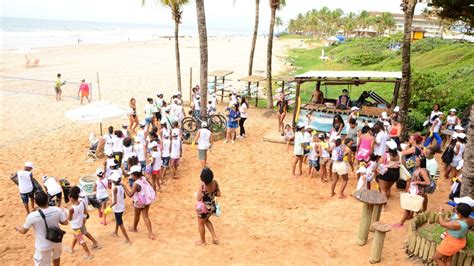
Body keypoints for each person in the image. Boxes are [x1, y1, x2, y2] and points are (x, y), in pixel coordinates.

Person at [15, 191, 68, 266]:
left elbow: (23, 231)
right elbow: (65, 223)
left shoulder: (32, 216)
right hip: (57, 240)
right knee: (56, 256)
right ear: (47, 200)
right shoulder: (57, 210)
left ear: (36, 203)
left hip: (43, 245)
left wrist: (17, 228)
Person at [393, 156, 431, 228]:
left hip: (417, 191)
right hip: (415, 190)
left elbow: (428, 182)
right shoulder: (419, 169)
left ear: (421, 163)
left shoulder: (422, 171)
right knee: (413, 207)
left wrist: (417, 182)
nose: (415, 162)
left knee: (408, 206)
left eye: (417, 161)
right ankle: (414, 217)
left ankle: (401, 222)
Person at [123, 165, 156, 240]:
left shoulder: (136, 184)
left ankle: (134, 228)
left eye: (132, 174)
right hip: (147, 200)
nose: (131, 175)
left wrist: (124, 187)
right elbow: (150, 185)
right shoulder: (143, 178)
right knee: (145, 216)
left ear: (135, 175)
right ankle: (151, 233)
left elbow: (130, 195)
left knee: (137, 215)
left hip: (139, 202)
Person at [195, 167, 221, 246]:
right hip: (212, 206)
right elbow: (219, 194)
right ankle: (214, 237)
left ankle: (203, 242)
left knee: (201, 223)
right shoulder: (215, 183)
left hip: (204, 209)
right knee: (206, 220)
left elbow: (198, 198)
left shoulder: (202, 186)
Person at [68, 186, 94, 260]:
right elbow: (85, 212)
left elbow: (69, 219)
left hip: (76, 226)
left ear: (72, 198)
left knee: (81, 239)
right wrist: (83, 218)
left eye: (69, 198)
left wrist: (66, 212)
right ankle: (71, 249)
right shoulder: (81, 202)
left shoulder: (71, 209)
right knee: (84, 233)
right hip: (81, 223)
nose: (69, 199)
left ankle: (89, 254)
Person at [109, 173, 131, 244]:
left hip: (117, 208)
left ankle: (127, 239)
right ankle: (115, 232)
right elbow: (124, 196)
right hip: (121, 207)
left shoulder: (115, 188)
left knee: (120, 223)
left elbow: (114, 201)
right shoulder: (121, 186)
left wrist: (109, 207)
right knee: (118, 220)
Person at [376, 140, 400, 208]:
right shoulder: (399, 154)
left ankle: (383, 206)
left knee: (383, 190)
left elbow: (379, 163)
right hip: (396, 173)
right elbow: (402, 163)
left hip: (386, 173)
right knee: (388, 188)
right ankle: (385, 203)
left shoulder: (386, 155)